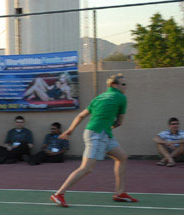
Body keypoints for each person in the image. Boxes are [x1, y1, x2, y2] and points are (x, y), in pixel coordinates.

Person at [51, 73, 138, 207]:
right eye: (124, 84)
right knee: (86, 168)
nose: (126, 87)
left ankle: (119, 193)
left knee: (122, 157)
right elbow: (119, 122)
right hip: (98, 134)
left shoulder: (98, 98)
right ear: (115, 85)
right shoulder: (121, 97)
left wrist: (70, 129)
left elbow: (81, 116)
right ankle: (59, 194)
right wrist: (110, 125)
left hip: (99, 133)